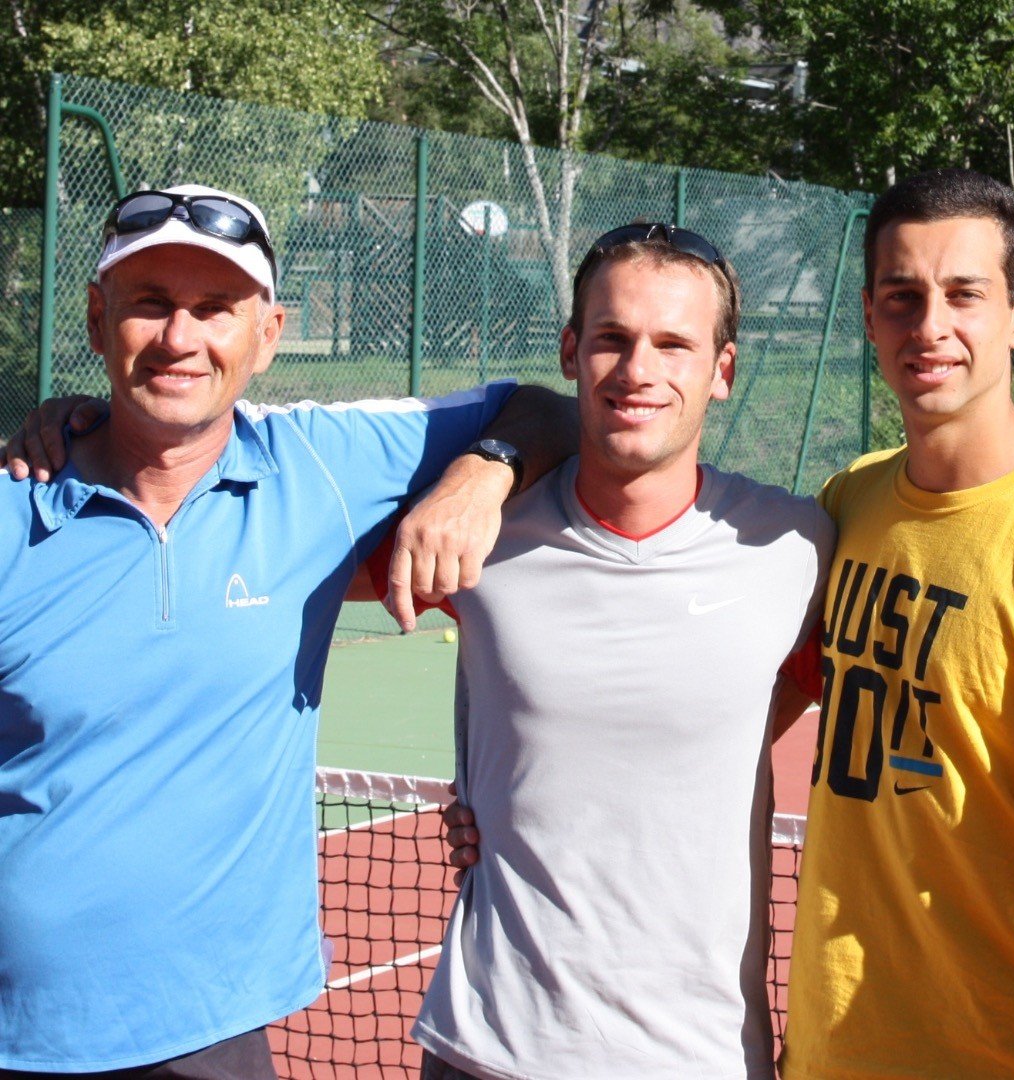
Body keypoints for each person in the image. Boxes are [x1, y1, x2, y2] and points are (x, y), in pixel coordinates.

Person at [0, 184, 577, 1076]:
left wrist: (479, 476)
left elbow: (551, 409)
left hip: (216, 1030)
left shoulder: (320, 462)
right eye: (149, 304)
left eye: (215, 309)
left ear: (268, 333)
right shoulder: (12, 506)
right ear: (95, 317)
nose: (180, 339)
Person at [364, 223, 834, 1079]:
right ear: (572, 350)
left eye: (673, 344)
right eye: (612, 339)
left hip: (703, 1059)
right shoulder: (475, 534)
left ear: (722, 372)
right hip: (486, 1051)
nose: (638, 370)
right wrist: (89, 430)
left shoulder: (801, 546)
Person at [778, 169, 1014, 1078]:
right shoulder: (852, 499)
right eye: (903, 298)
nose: (931, 327)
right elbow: (738, 717)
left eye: (964, 295)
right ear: (870, 315)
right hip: (831, 1051)